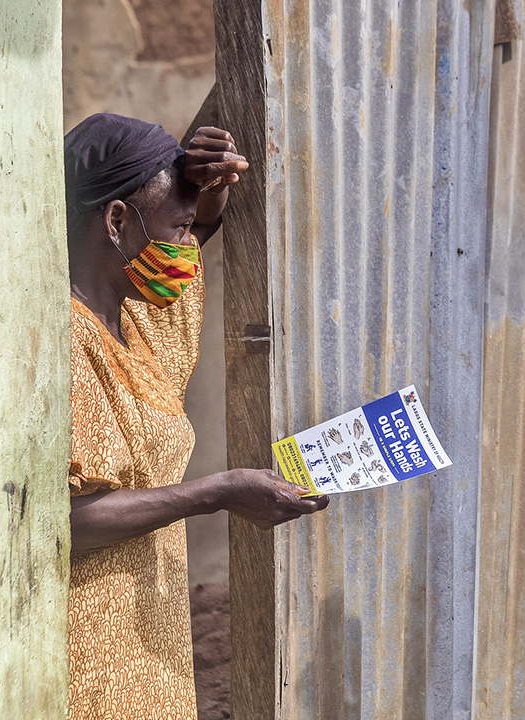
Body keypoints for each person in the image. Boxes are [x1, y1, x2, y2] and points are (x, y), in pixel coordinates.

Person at [63, 113, 328, 719]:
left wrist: (206, 192)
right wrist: (215, 492)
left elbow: (186, 238)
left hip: (147, 652)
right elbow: (63, 522)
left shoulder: (136, 319)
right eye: (176, 230)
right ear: (116, 221)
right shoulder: (64, 339)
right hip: (83, 659)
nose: (185, 253)